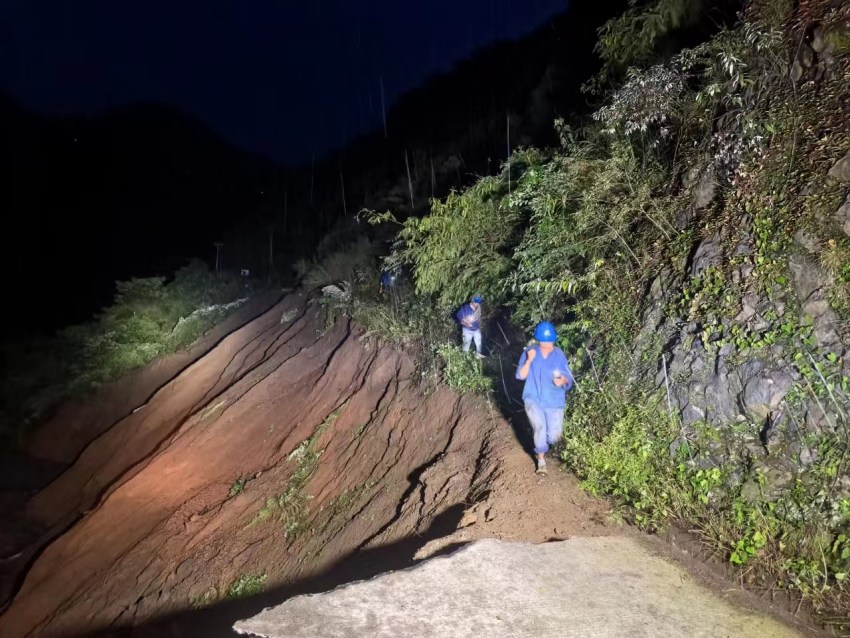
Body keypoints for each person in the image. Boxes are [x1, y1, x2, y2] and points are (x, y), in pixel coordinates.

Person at [515, 321, 574, 475]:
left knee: (554, 436)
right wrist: (528, 360)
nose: (547, 344)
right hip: (533, 398)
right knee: (539, 427)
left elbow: (568, 377)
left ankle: (544, 445)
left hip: (554, 400)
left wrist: (563, 380)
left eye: (549, 341)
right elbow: (520, 376)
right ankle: (541, 461)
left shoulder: (559, 354)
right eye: (544, 341)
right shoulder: (530, 352)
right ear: (538, 340)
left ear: (554, 339)